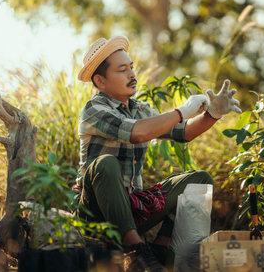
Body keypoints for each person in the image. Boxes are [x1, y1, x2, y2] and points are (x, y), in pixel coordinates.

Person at [75, 35, 241, 271]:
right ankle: (135, 252)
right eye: (122, 70)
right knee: (105, 164)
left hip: (131, 211)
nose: (132, 75)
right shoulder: (94, 109)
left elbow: (184, 133)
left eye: (131, 68)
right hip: (95, 213)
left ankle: (159, 249)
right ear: (100, 81)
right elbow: (138, 133)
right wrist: (183, 110)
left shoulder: (140, 109)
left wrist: (212, 114)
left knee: (199, 180)